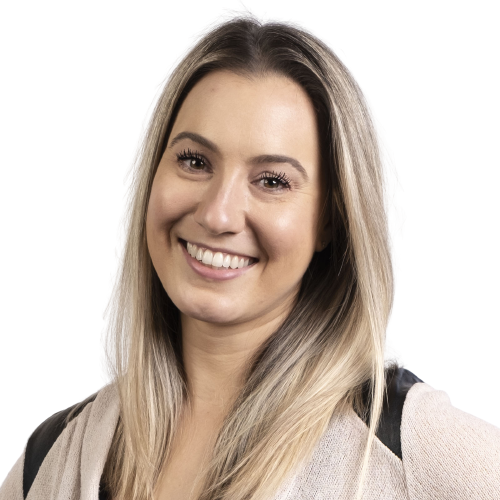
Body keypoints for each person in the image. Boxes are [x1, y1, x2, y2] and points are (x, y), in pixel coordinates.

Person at [2, 11, 499, 500]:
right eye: (194, 161)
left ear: (330, 219)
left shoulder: (407, 447)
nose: (218, 215)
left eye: (272, 181)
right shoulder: (51, 457)